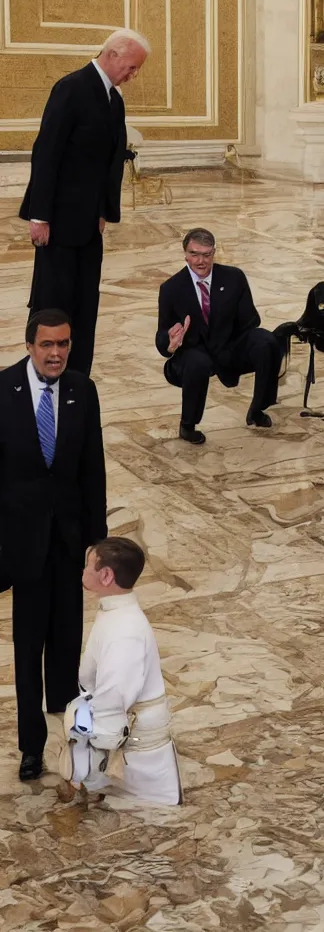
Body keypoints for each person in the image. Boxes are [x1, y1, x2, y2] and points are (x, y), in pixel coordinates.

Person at [0, 309, 107, 782]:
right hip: (23, 548)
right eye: (47, 345)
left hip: (68, 545)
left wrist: (97, 548)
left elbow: (93, 472)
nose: (56, 353)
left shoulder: (83, 392)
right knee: (28, 651)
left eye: (63, 344)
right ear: (30, 346)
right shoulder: (3, 390)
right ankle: (30, 746)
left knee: (67, 649)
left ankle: (71, 741)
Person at [20, 29, 151, 377]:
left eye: (137, 69)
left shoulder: (114, 99)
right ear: (112, 54)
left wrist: (104, 210)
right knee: (54, 302)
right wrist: (39, 215)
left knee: (85, 303)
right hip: (59, 222)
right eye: (132, 67)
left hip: (88, 223)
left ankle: (78, 374)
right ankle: (45, 372)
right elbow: (47, 153)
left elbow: (106, 161)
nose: (134, 75)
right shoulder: (72, 88)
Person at [57, 537, 181, 806]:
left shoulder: (125, 632)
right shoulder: (115, 612)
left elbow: (115, 697)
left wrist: (81, 760)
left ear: (106, 575)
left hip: (136, 748)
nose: (83, 571)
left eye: (88, 566)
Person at [155, 228, 282, 445]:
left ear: (214, 253)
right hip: (194, 351)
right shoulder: (171, 288)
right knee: (197, 362)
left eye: (206, 254)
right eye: (194, 254)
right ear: (185, 254)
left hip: (229, 347)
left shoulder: (234, 277)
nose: (200, 261)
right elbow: (161, 336)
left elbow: (251, 321)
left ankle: (258, 408)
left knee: (267, 342)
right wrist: (171, 341)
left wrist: (226, 328)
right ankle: (188, 425)